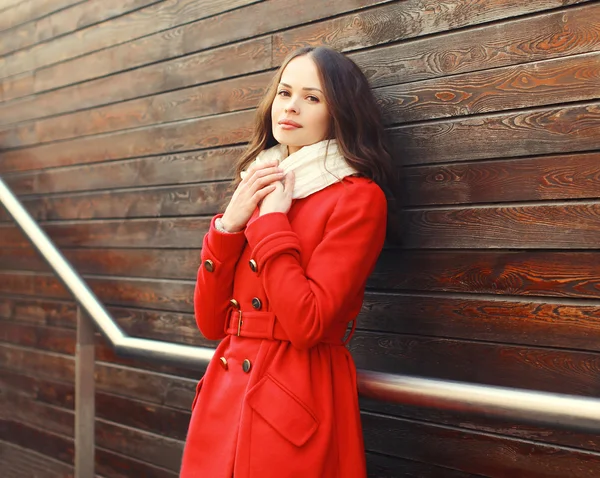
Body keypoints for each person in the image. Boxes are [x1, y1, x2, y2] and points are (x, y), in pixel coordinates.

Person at [180, 46, 396, 478]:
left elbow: (308, 323)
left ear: (339, 113)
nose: (291, 106)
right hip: (225, 396)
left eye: (312, 98)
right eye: (284, 93)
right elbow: (209, 322)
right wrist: (229, 228)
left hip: (294, 396)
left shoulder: (357, 197)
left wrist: (272, 223)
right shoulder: (260, 182)